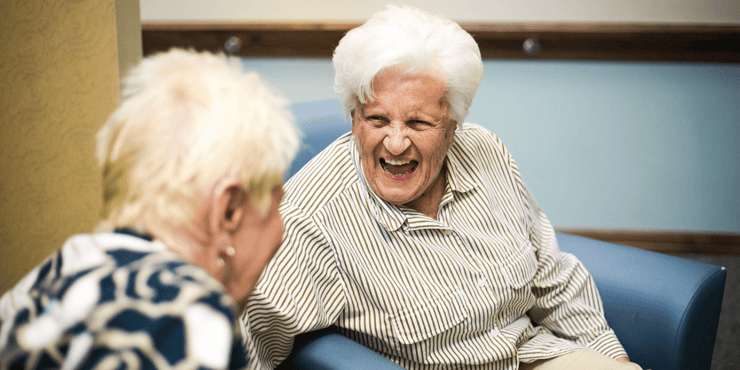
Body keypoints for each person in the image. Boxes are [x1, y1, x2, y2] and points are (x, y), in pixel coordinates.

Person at [242, 5, 645, 370]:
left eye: (418, 123)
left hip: (537, 356)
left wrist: (609, 357)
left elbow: (552, 276)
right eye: (377, 120)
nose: (396, 143)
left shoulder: (486, 151)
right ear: (353, 119)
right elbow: (245, 336)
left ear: (452, 127)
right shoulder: (311, 220)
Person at [0, 49, 299, 369]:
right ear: (229, 211)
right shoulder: (183, 313)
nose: (281, 228)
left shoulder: (56, 272)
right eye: (276, 202)